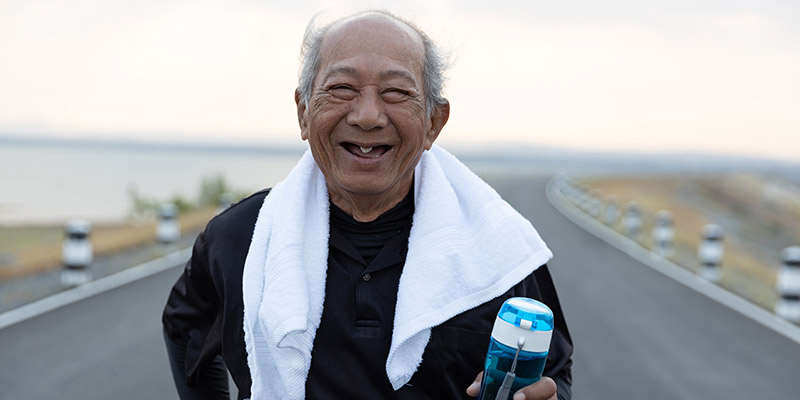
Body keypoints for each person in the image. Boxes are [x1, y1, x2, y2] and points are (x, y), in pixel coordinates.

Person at [163, 10, 572, 400]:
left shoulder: (501, 251)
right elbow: (185, 327)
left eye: (396, 92)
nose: (368, 116)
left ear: (434, 122)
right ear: (303, 112)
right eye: (342, 88)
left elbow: (553, 372)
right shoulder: (240, 239)